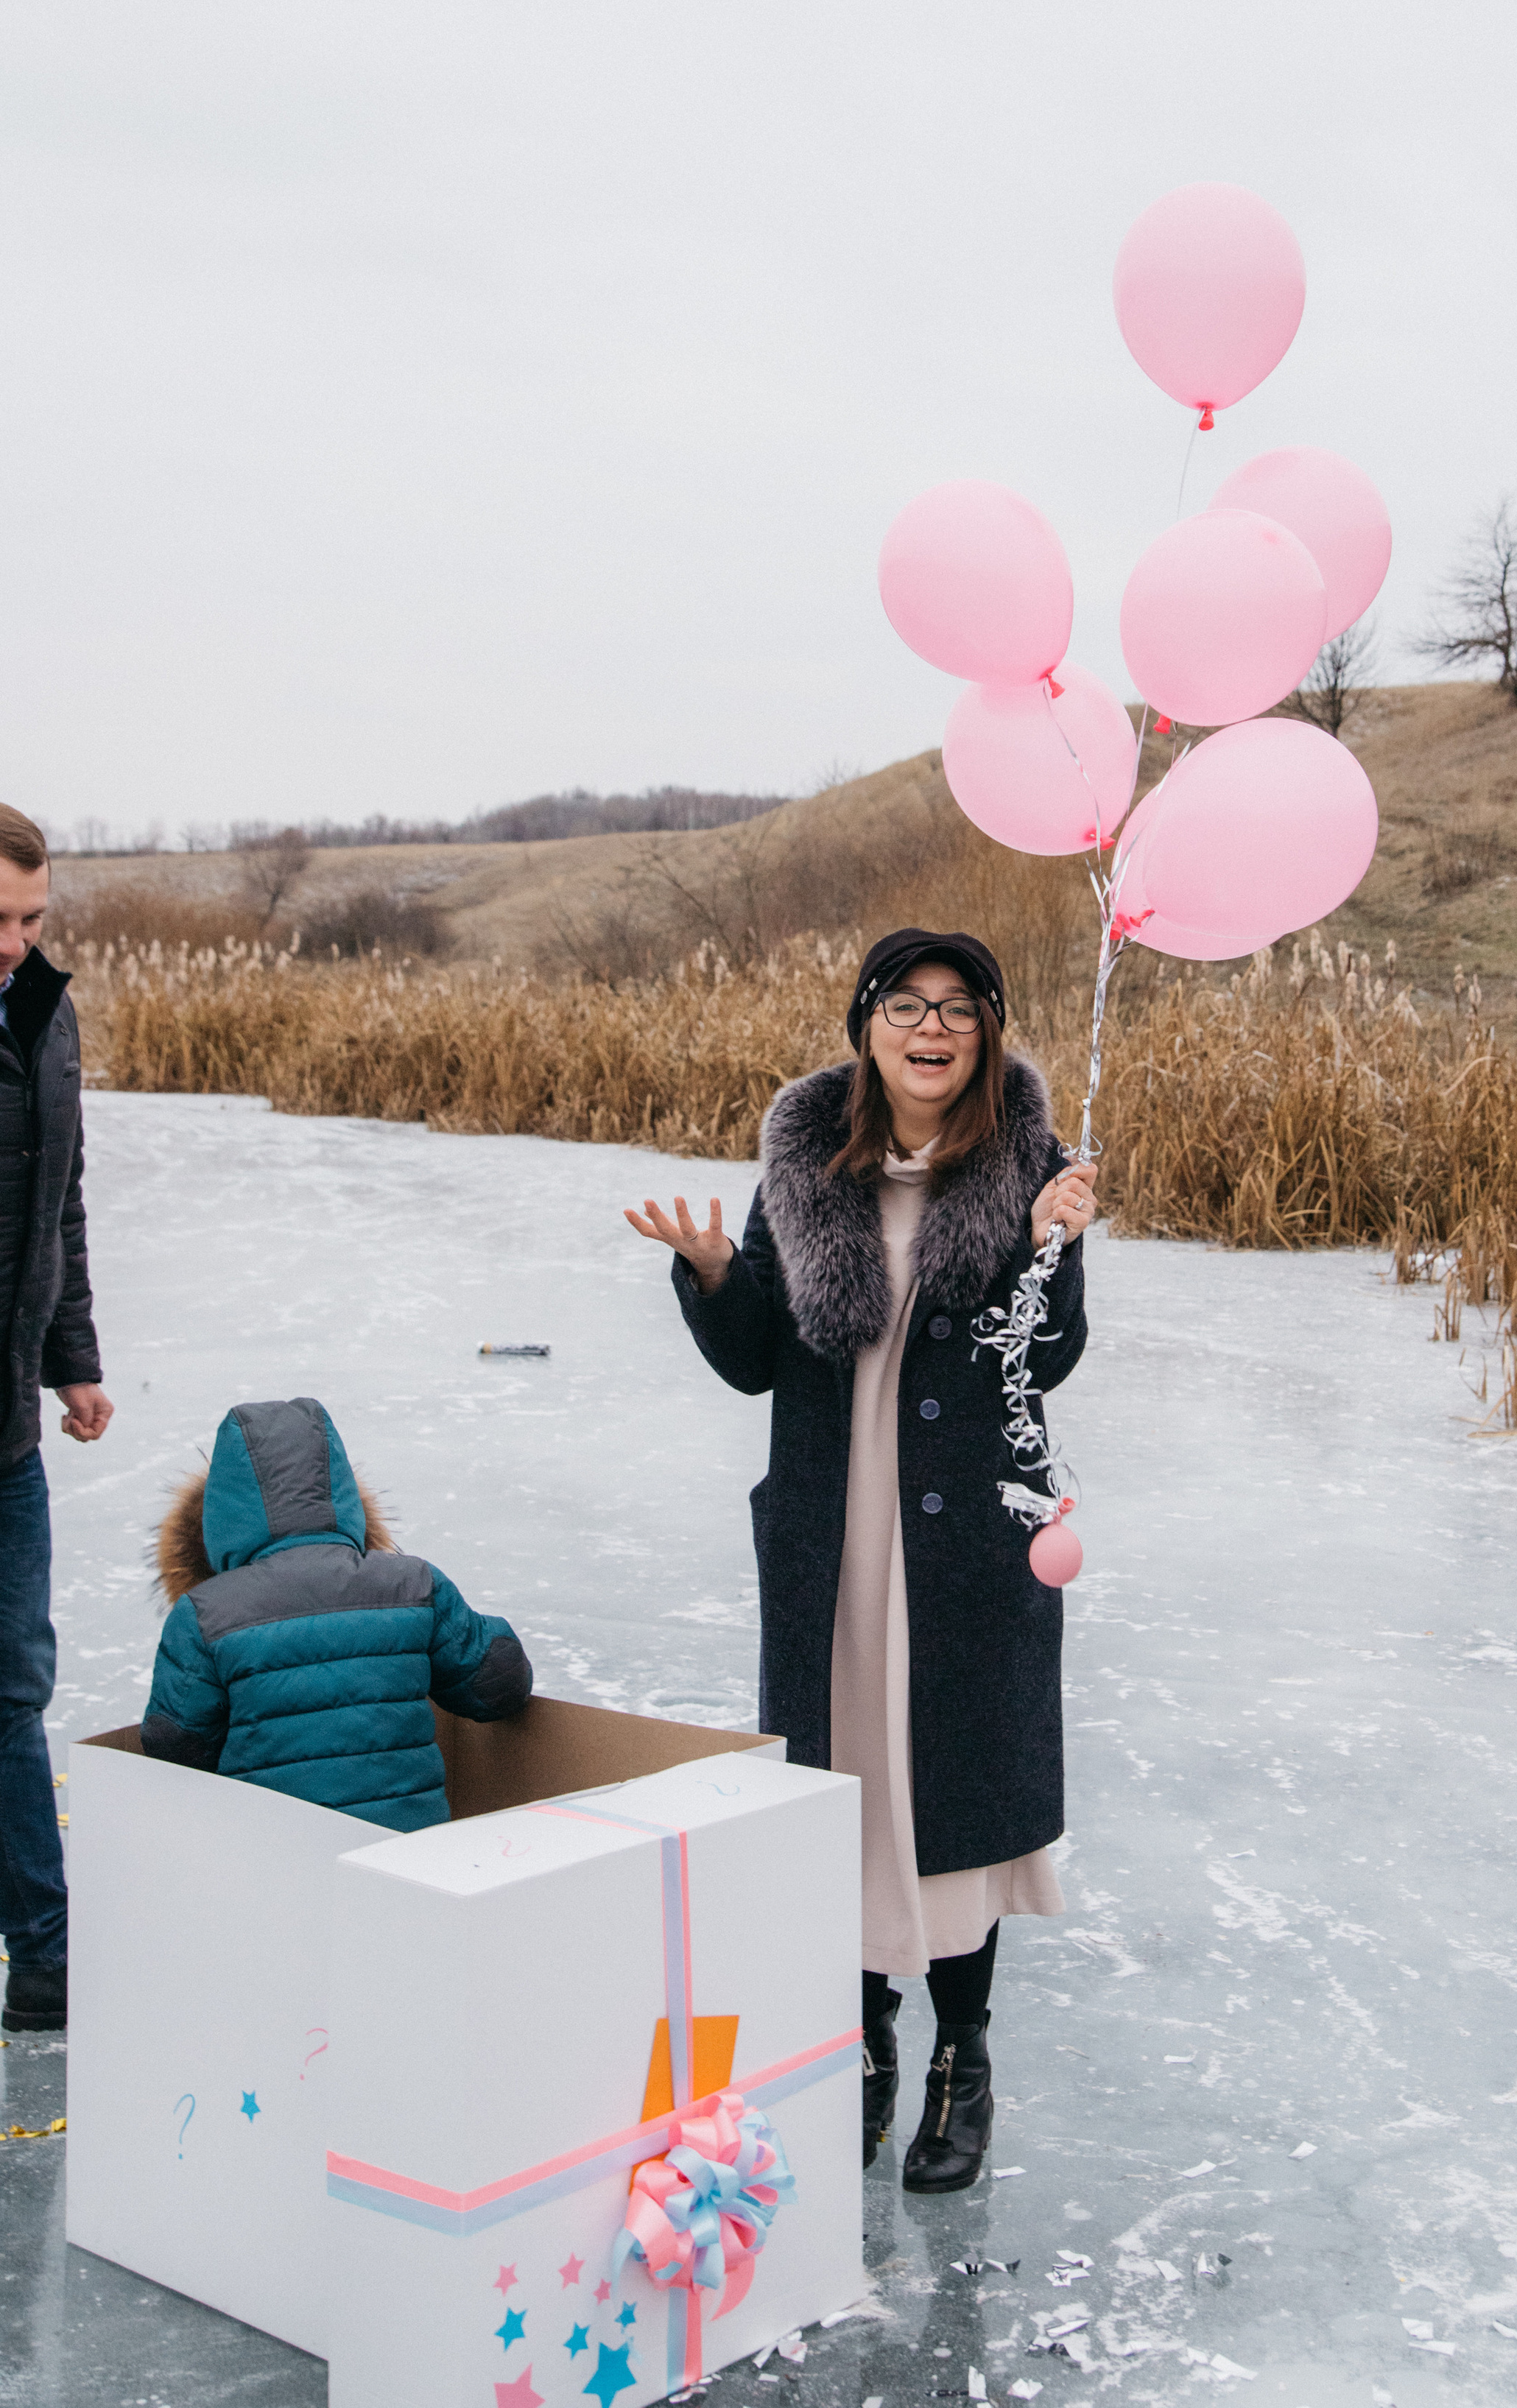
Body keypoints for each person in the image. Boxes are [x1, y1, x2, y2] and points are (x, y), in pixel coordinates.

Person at [627, 928, 1097, 2192]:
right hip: (835, 1534)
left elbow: (1041, 1363)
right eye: (906, 1005)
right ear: (866, 1025)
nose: (931, 1029)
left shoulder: (1032, 1167)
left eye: (957, 1009)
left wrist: (1053, 1244)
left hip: (964, 1545)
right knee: (839, 1790)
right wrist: (716, 1269)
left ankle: (963, 2057)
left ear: (987, 1032)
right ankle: (866, 2044)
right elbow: (757, 1359)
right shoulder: (805, 1166)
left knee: (953, 1797)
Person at [141, 1396, 533, 1828]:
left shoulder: (204, 1613)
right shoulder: (414, 1584)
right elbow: (497, 1686)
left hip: (271, 1852)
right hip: (405, 1850)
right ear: (340, 1486)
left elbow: (175, 1748)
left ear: (223, 1507)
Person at [0, 806, 110, 2037]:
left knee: (15, 1677)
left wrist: (71, 1360)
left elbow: (61, 1206)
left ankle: (44, 1949)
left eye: (33, 918)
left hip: (7, 1428)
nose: (18, 943)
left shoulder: (45, 1015)